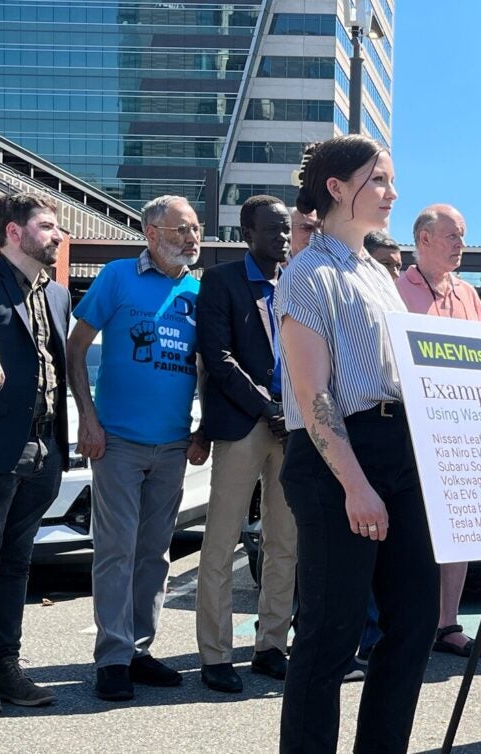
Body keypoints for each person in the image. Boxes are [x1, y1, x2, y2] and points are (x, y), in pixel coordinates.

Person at [275, 135, 439, 753]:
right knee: (329, 634)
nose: (392, 193)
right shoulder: (306, 274)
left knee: (415, 622)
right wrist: (355, 484)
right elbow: (313, 395)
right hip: (336, 461)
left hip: (400, 454)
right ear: (337, 189)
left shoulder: (375, 271)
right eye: (379, 181)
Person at [67, 195, 210, 702]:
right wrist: (88, 417)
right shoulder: (117, 276)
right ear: (151, 233)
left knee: (154, 552)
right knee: (116, 550)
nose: (192, 239)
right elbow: (77, 346)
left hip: (172, 444)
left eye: (195, 229)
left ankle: (139, 650)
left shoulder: (199, 289)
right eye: (181, 230)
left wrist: (203, 430)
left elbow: (209, 366)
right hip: (118, 442)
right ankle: (111, 658)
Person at [194, 195, 297, 693]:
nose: (282, 237)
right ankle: (215, 656)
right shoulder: (220, 281)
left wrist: (292, 412)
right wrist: (267, 408)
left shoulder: (297, 283)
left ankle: (270, 646)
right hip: (244, 423)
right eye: (273, 229)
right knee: (221, 541)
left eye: (287, 229)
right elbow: (217, 356)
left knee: (285, 543)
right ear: (246, 232)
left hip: (292, 426)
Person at [398, 204, 481, 659]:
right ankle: (411, 623)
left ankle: (447, 624)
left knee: (461, 529)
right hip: (413, 430)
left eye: (464, 236)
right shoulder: (396, 290)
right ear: (424, 240)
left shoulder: (470, 294)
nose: (460, 245)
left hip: (462, 430)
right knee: (414, 531)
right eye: (452, 236)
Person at [0, 192, 69, 710]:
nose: (58, 234)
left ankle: (5, 667)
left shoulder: (58, 295)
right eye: (46, 225)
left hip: (42, 450)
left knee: (17, 564)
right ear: (14, 233)